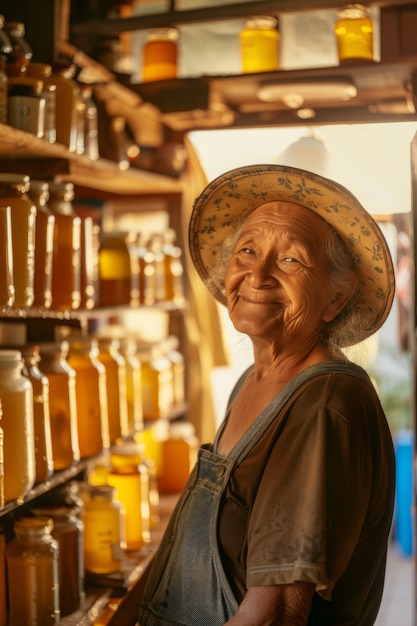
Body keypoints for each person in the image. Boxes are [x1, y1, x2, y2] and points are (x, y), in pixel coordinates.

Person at [138, 164, 396, 626]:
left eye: (291, 259)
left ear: (336, 297)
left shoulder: (325, 403)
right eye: (247, 251)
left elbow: (275, 612)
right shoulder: (252, 382)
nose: (257, 275)